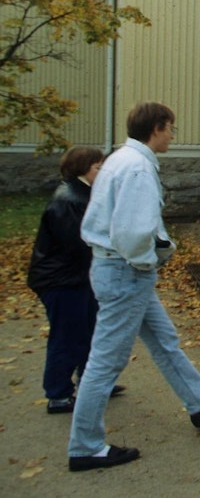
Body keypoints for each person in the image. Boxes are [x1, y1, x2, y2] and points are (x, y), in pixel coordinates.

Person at [69, 102, 200, 472]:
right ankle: (85, 446)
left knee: (164, 341)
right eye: (171, 128)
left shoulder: (120, 159)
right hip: (126, 271)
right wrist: (151, 261)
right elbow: (133, 233)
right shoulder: (137, 168)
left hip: (118, 268)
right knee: (105, 360)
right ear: (158, 127)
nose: (173, 136)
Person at [28, 146, 127, 414]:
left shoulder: (82, 194)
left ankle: (91, 382)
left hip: (77, 278)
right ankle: (58, 393)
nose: (103, 172)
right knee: (68, 335)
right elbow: (80, 244)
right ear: (82, 169)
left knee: (89, 330)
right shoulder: (69, 199)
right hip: (61, 281)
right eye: (98, 167)